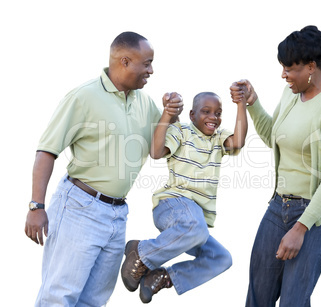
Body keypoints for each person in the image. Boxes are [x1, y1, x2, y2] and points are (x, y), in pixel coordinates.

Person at [24, 31, 183, 306]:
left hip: (117, 215)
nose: (151, 70)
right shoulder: (83, 97)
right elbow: (46, 151)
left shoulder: (143, 102)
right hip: (79, 208)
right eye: (146, 63)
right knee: (59, 297)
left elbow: (159, 148)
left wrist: (171, 113)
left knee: (94, 301)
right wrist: (36, 206)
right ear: (124, 61)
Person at [230, 25, 321, 307]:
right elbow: (275, 137)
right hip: (277, 207)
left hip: (315, 218)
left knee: (293, 302)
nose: (284, 75)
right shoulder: (291, 94)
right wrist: (252, 103)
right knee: (258, 298)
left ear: (311, 67)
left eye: (289, 69)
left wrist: (301, 228)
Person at [121, 91, 248, 303]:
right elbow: (155, 151)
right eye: (206, 112)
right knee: (197, 227)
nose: (213, 117)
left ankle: (163, 276)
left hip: (193, 224)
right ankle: (141, 253)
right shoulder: (182, 132)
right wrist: (167, 114)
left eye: (218, 113)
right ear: (191, 114)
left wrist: (241, 104)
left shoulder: (218, 139)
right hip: (172, 205)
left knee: (221, 258)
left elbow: (238, 142)